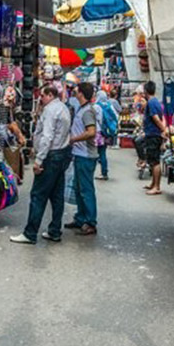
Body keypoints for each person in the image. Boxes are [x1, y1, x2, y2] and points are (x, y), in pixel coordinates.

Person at [10, 85, 72, 244]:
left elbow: (47, 137)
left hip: (51, 156)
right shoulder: (63, 108)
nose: (40, 99)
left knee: (38, 195)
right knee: (56, 196)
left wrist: (39, 160)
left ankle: (30, 233)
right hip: (61, 154)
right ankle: (54, 231)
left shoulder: (51, 111)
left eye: (42, 96)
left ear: (50, 95)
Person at [65, 82, 99, 235]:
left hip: (86, 156)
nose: (74, 92)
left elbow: (91, 132)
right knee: (79, 189)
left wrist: (74, 139)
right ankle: (81, 218)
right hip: (80, 155)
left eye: (76, 90)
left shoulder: (87, 111)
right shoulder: (82, 109)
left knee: (86, 189)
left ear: (81, 93)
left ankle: (90, 221)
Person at [141, 80, 169, 195]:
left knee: (155, 161)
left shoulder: (151, 103)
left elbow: (156, 118)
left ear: (146, 91)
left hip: (153, 135)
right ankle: (153, 184)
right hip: (153, 134)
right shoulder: (156, 102)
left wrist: (164, 130)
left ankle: (156, 187)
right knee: (153, 161)